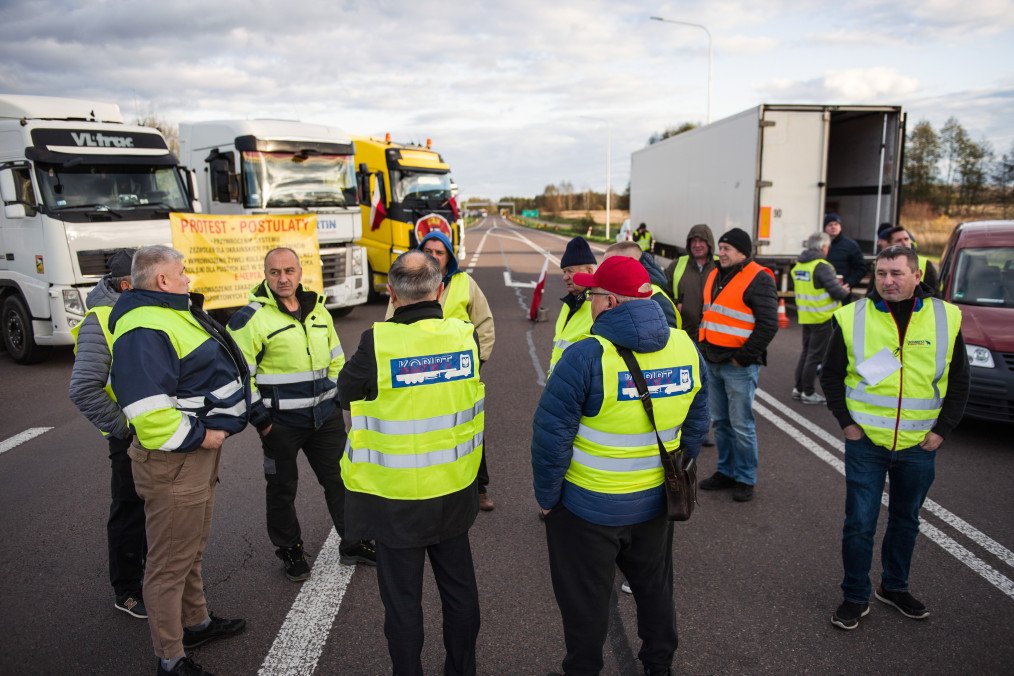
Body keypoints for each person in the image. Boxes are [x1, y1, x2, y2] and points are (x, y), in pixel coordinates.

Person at [531, 255, 708, 675]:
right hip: (655, 504)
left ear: (609, 302)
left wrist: (549, 499)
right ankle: (659, 665)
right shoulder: (685, 346)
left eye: (592, 294)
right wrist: (676, 471)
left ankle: (583, 668)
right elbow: (699, 421)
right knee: (655, 591)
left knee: (585, 603)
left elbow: (550, 439)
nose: (588, 301)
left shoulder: (587, 355)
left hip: (588, 508)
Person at [340, 251, 483, 675]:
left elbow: (345, 392)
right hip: (454, 489)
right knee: (460, 596)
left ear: (392, 293)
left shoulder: (377, 341)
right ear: (440, 289)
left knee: (403, 605)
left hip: (396, 499)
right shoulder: (464, 335)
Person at [110, 245, 249, 676]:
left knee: (189, 549)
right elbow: (149, 413)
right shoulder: (143, 325)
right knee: (169, 563)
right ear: (162, 280)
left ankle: (196, 623)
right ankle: (170, 658)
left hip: (191, 459)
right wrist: (201, 435)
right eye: (181, 272)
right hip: (176, 460)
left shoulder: (168, 311)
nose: (188, 277)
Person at [821, 245, 969, 630]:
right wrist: (847, 425)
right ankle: (855, 595)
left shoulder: (946, 317)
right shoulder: (852, 315)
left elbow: (960, 381)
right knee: (859, 523)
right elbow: (831, 375)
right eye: (881, 273)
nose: (887, 280)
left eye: (896, 273)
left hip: (920, 444)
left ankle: (894, 587)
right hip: (866, 443)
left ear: (917, 275)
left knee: (906, 520)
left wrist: (942, 431)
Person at [227, 248, 375, 582]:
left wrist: (335, 398)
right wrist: (261, 420)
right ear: (265, 274)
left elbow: (338, 359)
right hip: (280, 425)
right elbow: (240, 376)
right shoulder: (250, 319)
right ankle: (291, 550)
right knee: (282, 489)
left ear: (299, 272)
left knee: (342, 479)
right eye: (275, 272)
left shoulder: (319, 311)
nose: (283, 278)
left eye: (289, 271)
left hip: (325, 417)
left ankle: (352, 543)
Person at [386, 230, 496, 511]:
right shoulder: (407, 286)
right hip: (418, 371)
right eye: (428, 251)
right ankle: (433, 485)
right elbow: (390, 324)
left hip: (458, 371)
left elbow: (484, 323)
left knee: (467, 426)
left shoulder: (464, 283)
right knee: (427, 430)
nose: (433, 256)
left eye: (440, 252)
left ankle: (479, 487)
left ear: (449, 257)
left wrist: (477, 362)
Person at [68, 248, 147, 619]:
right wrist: (125, 429)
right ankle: (127, 590)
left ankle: (159, 580)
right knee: (130, 512)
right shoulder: (100, 320)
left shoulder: (144, 312)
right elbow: (84, 388)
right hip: (131, 438)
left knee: (161, 513)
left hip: (163, 433)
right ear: (128, 284)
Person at [697, 228, 779, 502]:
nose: (721, 252)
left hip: (737, 365)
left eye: (727, 248)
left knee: (741, 424)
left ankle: (745, 478)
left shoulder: (759, 278)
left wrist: (742, 357)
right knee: (721, 422)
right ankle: (726, 471)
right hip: (713, 360)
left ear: (743, 252)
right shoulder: (714, 274)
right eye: (720, 247)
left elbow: (768, 325)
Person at [790, 233, 851, 404]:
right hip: (822, 317)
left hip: (807, 315)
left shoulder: (800, 264)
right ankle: (808, 393)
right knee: (815, 356)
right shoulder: (822, 266)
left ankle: (799, 388)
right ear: (823, 247)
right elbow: (836, 292)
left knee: (806, 353)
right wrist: (844, 290)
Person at [548, 236, 597, 374]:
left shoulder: (600, 304)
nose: (565, 277)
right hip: (561, 383)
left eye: (570, 271)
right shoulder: (570, 302)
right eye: (564, 272)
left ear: (589, 271)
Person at [603, 240, 680, 329]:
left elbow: (665, 339)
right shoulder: (626, 290)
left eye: (612, 265)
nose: (604, 271)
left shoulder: (656, 299)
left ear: (632, 264)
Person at [664, 224, 718, 340]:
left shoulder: (720, 266)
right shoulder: (677, 264)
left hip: (713, 337)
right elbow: (662, 292)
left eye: (701, 241)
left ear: (709, 243)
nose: (697, 245)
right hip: (684, 335)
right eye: (693, 241)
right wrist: (675, 303)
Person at [823, 213, 868, 295]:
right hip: (823, 290)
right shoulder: (821, 245)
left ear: (840, 227)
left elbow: (862, 268)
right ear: (824, 228)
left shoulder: (850, 245)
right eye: (830, 225)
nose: (833, 227)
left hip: (843, 291)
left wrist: (849, 283)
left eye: (836, 224)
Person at [884, 226, 939, 293]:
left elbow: (935, 294)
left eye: (906, 239)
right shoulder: (882, 264)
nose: (904, 243)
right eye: (899, 240)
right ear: (889, 245)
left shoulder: (925, 263)